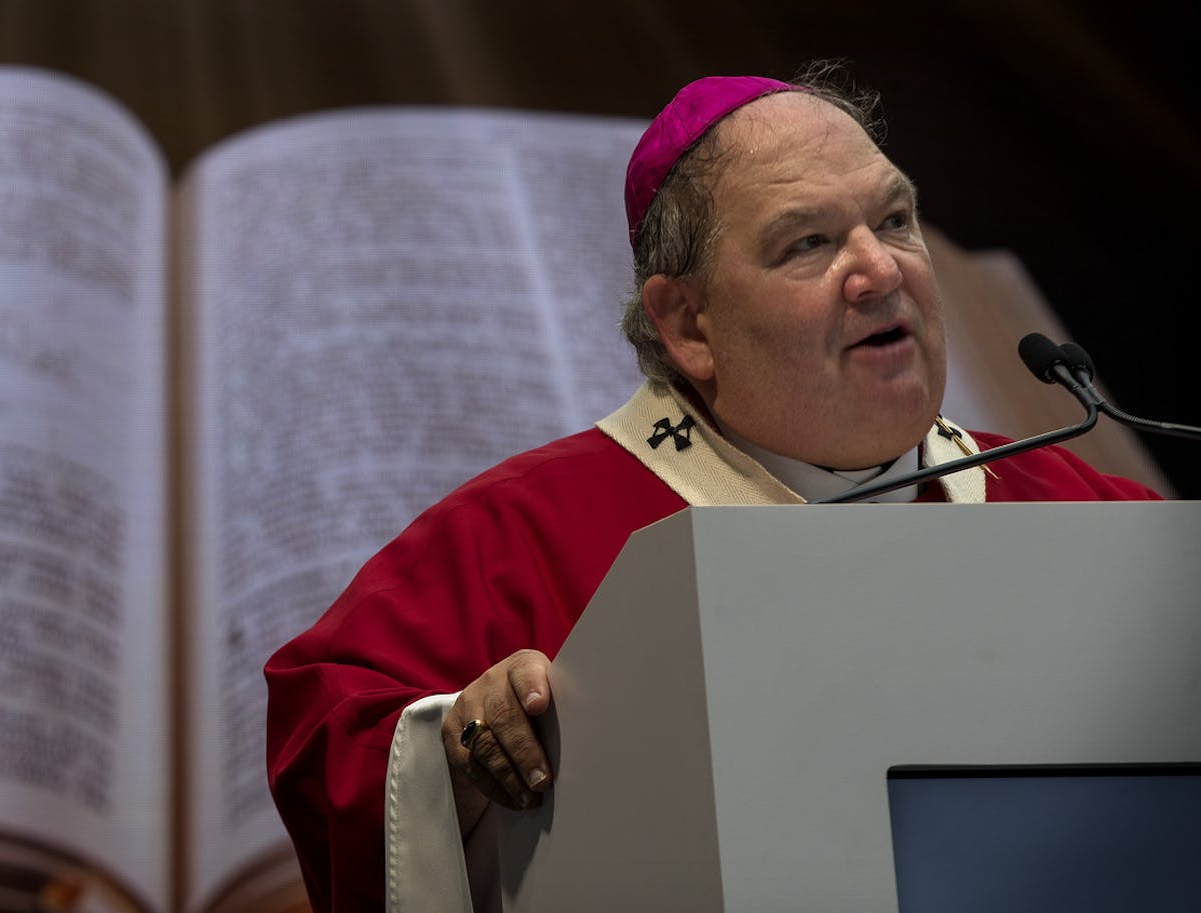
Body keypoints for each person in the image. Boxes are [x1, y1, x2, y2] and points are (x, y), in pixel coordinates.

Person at [263, 65, 1161, 913]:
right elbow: (329, 729)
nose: (882, 270)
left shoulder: (1072, 503)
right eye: (808, 242)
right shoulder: (522, 534)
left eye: (893, 220)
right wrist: (460, 745)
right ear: (689, 324)